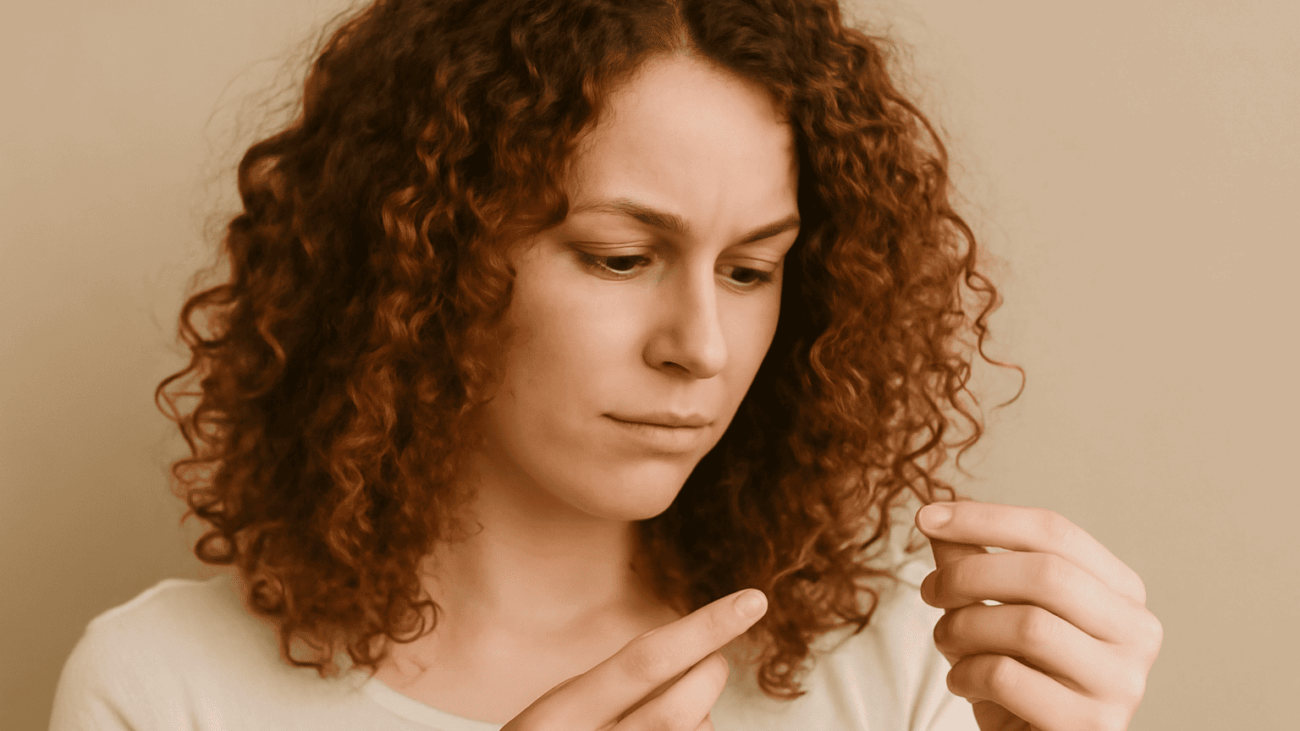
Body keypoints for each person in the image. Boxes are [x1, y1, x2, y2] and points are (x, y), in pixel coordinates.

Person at [49, 0, 1162, 729]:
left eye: (750, 270)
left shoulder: (911, 670)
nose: (701, 347)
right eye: (620, 257)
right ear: (423, 258)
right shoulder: (163, 687)